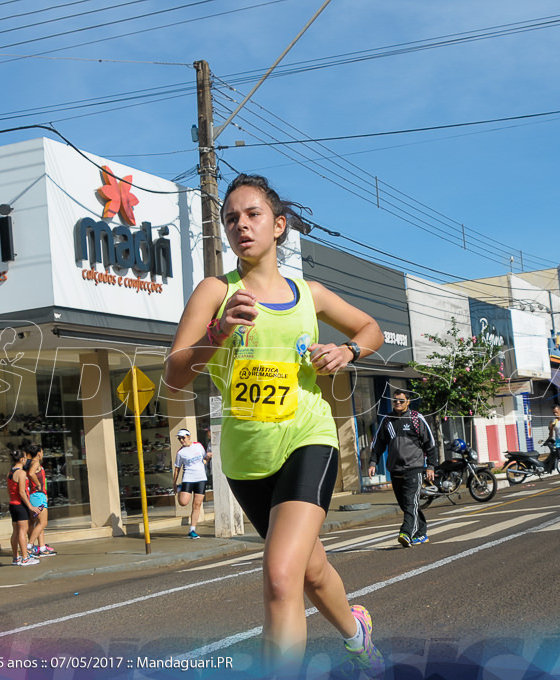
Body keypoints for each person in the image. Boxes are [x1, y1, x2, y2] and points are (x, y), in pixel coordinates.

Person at [163, 174, 385, 677]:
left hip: (308, 436)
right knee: (308, 569)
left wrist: (347, 350)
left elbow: (370, 328)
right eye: (231, 218)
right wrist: (218, 331)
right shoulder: (216, 292)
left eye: (253, 214)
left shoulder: (310, 294)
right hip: (247, 455)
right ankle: (357, 634)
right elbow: (175, 375)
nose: (242, 225)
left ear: (278, 225)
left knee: (280, 576)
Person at [367, 389, 437, 546]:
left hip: (414, 468)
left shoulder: (416, 419)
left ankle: (406, 533)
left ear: (408, 402)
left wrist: (431, 466)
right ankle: (421, 533)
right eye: (395, 401)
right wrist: (373, 462)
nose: (397, 403)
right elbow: (378, 444)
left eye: (401, 400)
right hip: (395, 469)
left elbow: (430, 444)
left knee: (411, 502)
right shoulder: (387, 420)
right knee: (406, 504)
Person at [172, 428, 212, 539]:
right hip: (188, 478)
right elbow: (177, 468)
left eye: (183, 438)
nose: (181, 440)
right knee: (183, 502)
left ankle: (192, 530)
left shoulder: (198, 446)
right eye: (180, 439)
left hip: (201, 478)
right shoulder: (180, 452)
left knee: (197, 505)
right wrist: (174, 483)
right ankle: (181, 487)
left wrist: (208, 458)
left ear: (189, 436)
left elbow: (203, 460)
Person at [8, 449, 41, 566]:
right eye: (25, 458)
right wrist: (30, 506)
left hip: (12, 504)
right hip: (20, 505)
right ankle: (25, 557)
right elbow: (22, 492)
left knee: (15, 531)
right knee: (23, 531)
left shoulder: (10, 473)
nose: (26, 460)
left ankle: (16, 557)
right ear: (22, 459)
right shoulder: (21, 473)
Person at [24, 442, 55, 557]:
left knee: (38, 524)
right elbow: (32, 474)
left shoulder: (31, 462)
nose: (43, 453)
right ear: (38, 453)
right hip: (37, 495)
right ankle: (29, 546)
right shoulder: (35, 463)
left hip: (36, 495)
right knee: (43, 522)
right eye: (42, 451)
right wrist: (38, 485)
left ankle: (42, 547)